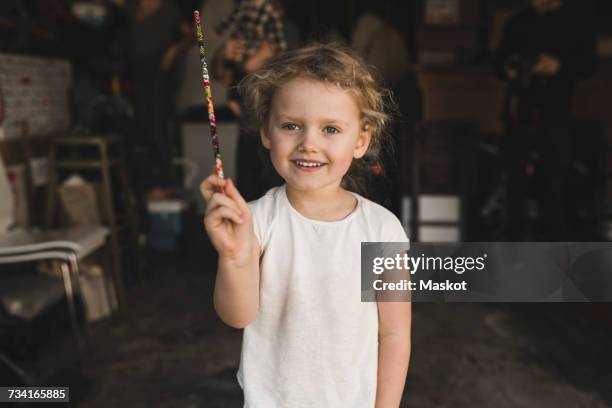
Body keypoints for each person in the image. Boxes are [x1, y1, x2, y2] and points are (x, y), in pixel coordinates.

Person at [200, 43, 411, 406]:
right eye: (291, 125)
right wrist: (234, 256)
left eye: (330, 129)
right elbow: (237, 317)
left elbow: (394, 334)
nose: (308, 143)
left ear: (361, 140)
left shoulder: (383, 229)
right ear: (267, 132)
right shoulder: (255, 221)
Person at [494, 0, 596, 240]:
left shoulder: (576, 20)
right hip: (519, 112)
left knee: (555, 183)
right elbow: (498, 62)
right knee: (515, 183)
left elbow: (590, 65)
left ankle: (556, 247)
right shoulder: (518, 21)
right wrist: (509, 69)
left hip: (557, 112)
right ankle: (516, 248)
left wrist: (559, 67)